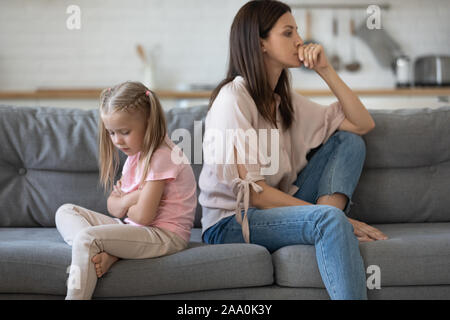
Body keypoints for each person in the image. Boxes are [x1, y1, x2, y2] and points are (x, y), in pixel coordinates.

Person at [199, 0, 388, 300]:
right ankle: (329, 226)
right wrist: (330, 217)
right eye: (288, 33)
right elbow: (253, 194)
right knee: (329, 219)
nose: (300, 41)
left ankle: (328, 228)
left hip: (272, 207)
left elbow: (362, 124)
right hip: (232, 221)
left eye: (297, 31)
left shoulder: (283, 100)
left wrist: (325, 70)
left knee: (349, 142)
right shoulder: (233, 99)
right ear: (260, 43)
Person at [55, 81, 197, 300]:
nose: (117, 140)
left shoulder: (162, 156)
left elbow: (143, 215)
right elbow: (113, 206)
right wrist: (134, 197)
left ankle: (97, 254)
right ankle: (107, 252)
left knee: (87, 238)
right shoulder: (134, 157)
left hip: (164, 235)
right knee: (65, 211)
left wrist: (124, 203)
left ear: (148, 123)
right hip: (135, 229)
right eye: (111, 133)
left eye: (124, 132)